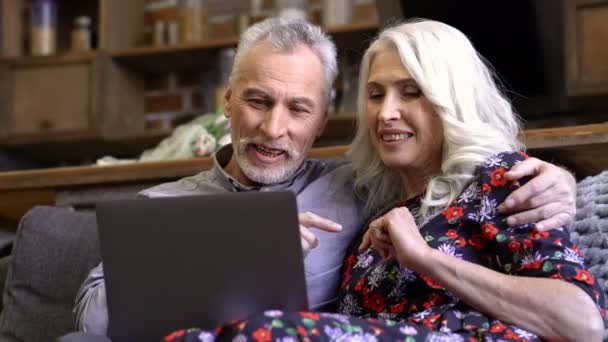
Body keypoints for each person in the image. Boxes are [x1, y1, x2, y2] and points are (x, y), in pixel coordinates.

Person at [73, 18, 579, 339]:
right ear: (227, 102)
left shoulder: (356, 187)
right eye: (257, 101)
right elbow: (94, 323)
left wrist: (562, 180)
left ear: (321, 122)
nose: (274, 128)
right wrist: (226, 253)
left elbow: (459, 184)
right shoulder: (155, 206)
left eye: (298, 108)